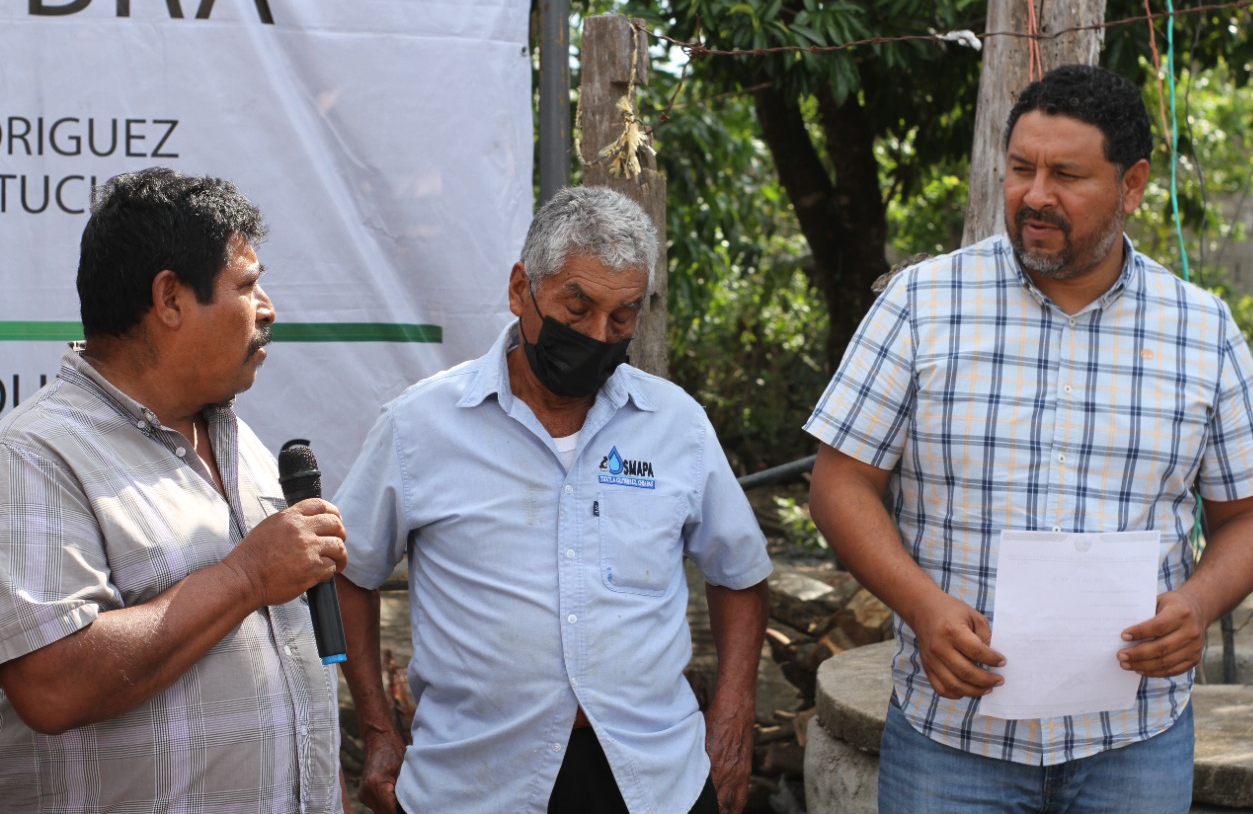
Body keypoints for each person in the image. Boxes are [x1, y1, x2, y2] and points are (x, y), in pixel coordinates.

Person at [805, 64, 1253, 812]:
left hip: (1136, 740)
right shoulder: (922, 304)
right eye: (1022, 168)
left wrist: (1199, 603)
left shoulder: (1202, 329)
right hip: (950, 739)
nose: (1035, 195)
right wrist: (923, 607)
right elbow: (839, 483)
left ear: (1132, 185)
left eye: (1067, 175)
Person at [334, 185, 772, 814]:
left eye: (622, 317)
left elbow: (740, 572)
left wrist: (733, 710)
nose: (598, 334)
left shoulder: (676, 424)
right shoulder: (419, 427)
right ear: (522, 290)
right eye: (578, 307)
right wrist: (378, 730)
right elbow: (349, 572)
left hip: (654, 779)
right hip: (474, 784)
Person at [0, 167, 348, 812]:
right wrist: (246, 578)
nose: (267, 308)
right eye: (246, 285)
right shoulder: (35, 453)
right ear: (170, 299)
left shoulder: (239, 439)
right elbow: (51, 685)